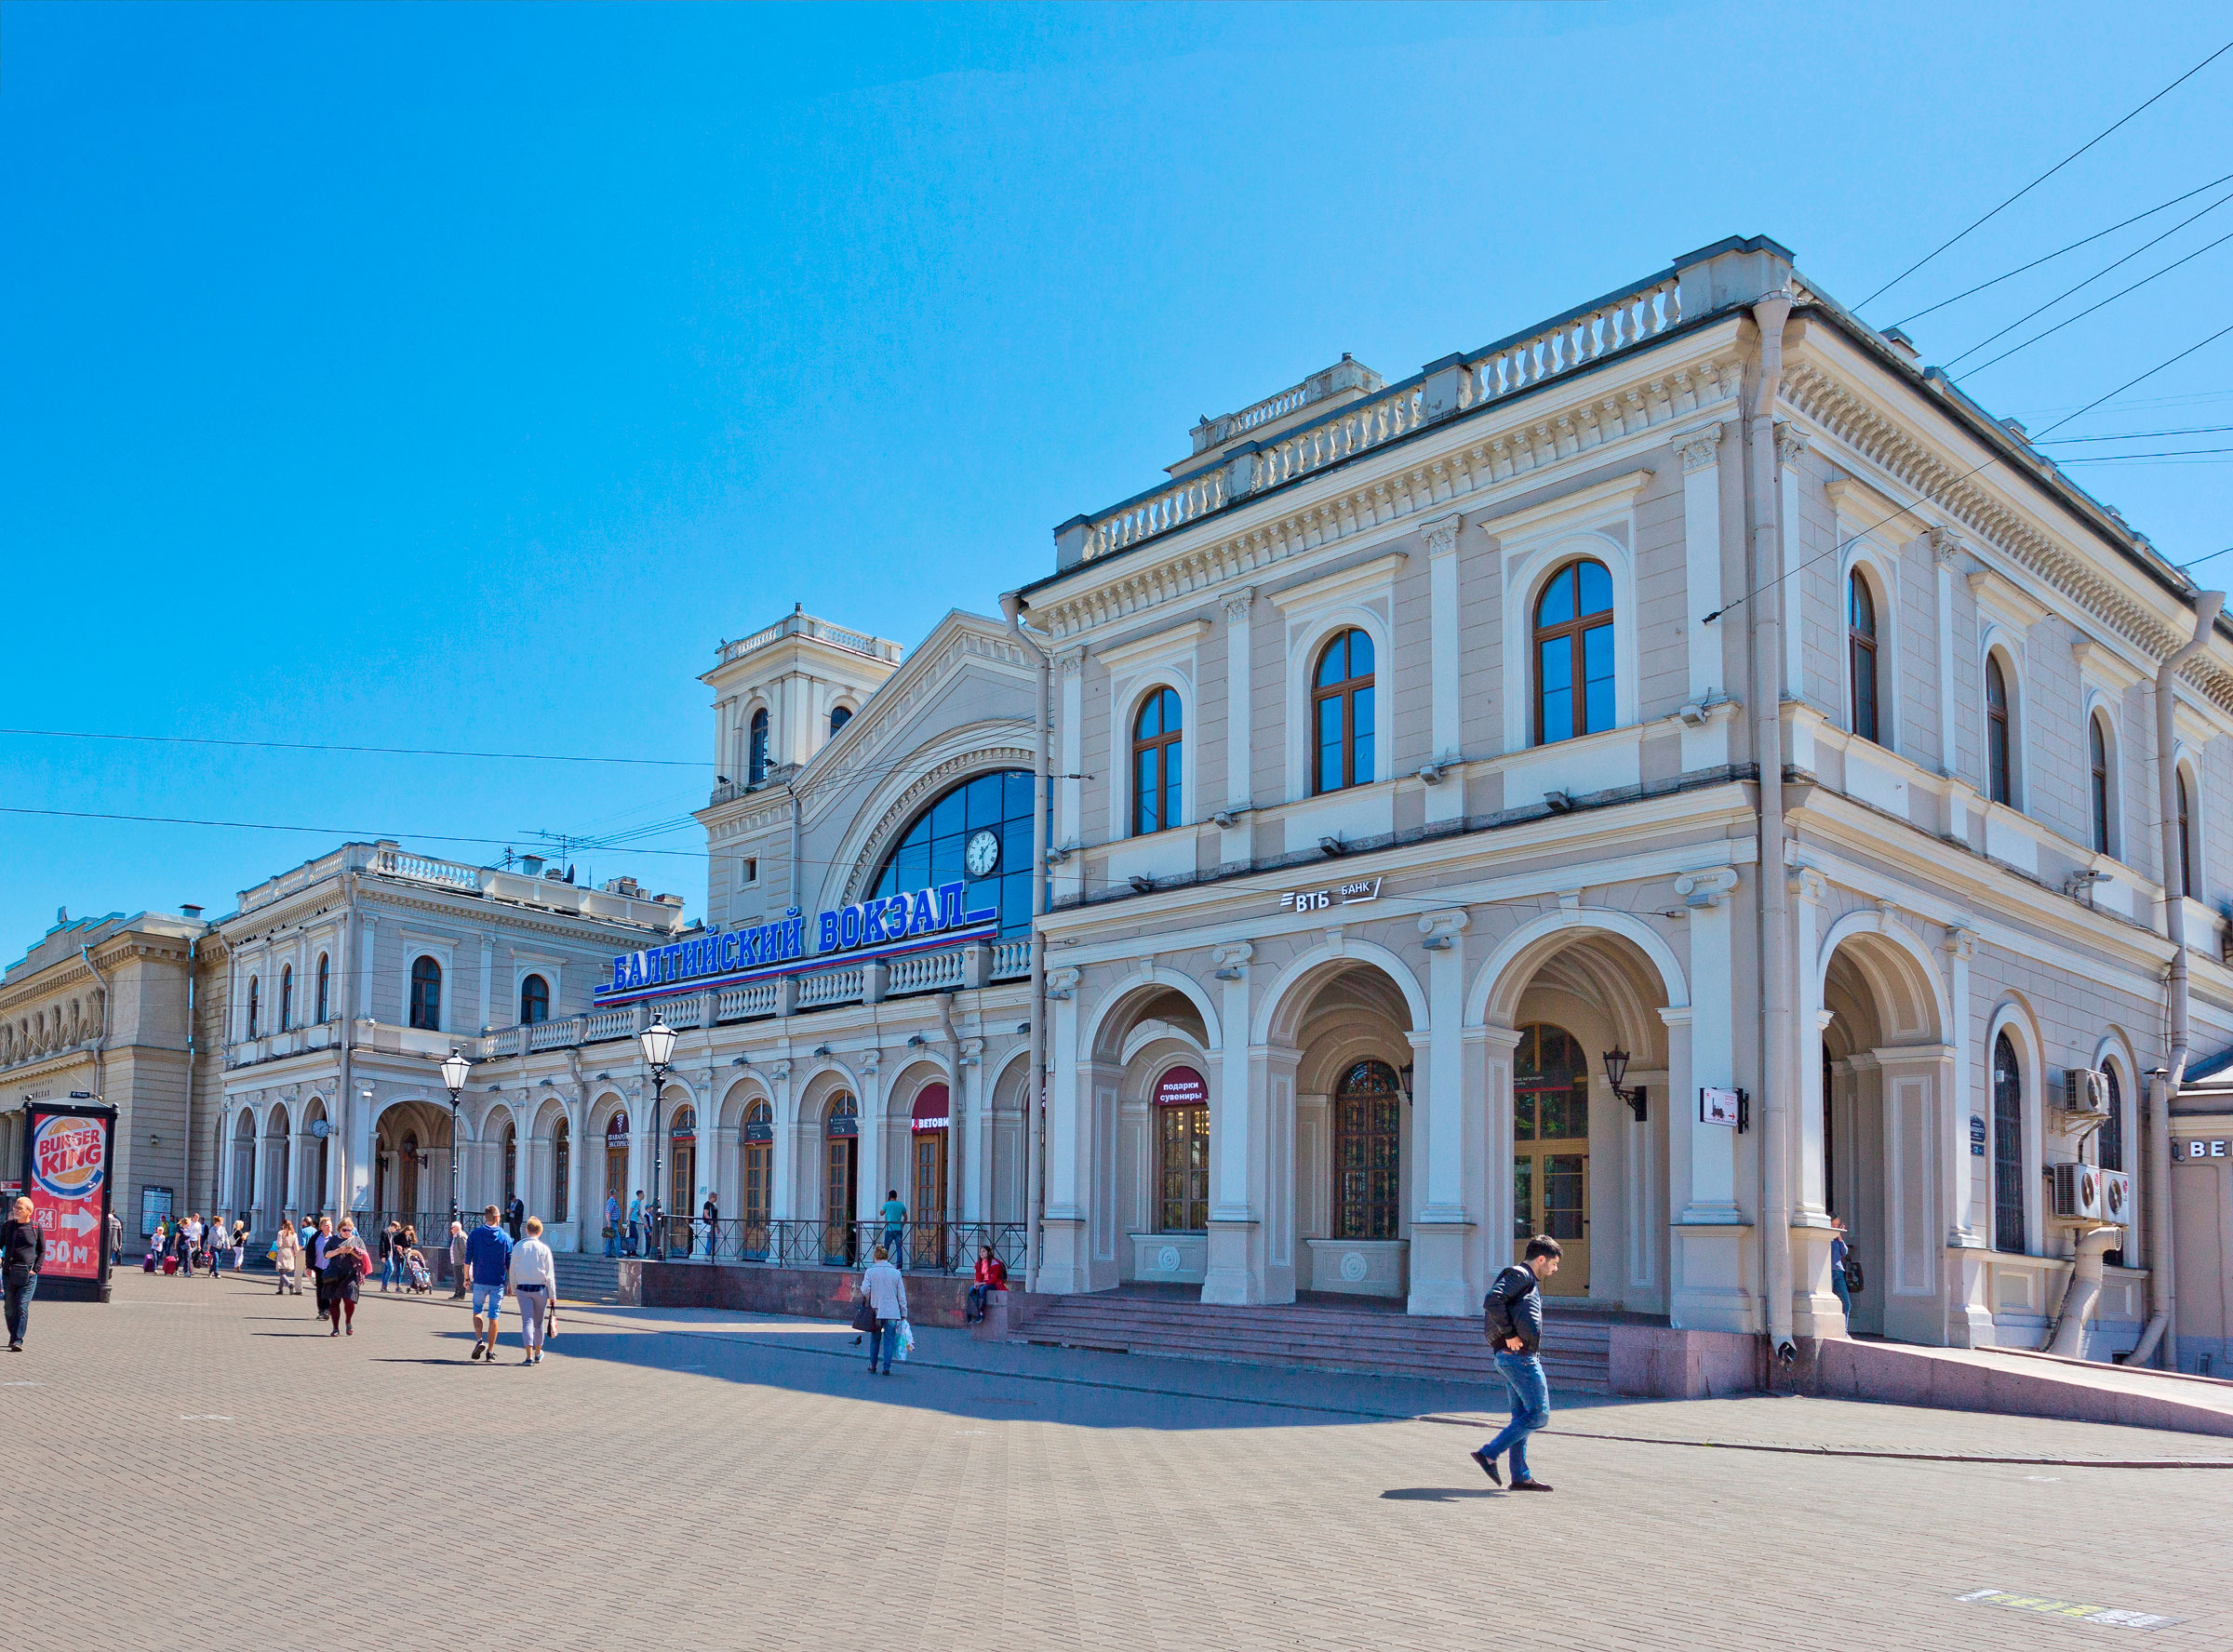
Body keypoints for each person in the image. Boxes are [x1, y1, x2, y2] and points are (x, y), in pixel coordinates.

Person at [1471, 1233, 1564, 1492]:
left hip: (1513, 1357)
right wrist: (1510, 1334)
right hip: (1519, 1357)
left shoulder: (1525, 1279)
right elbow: (1492, 1300)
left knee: (1522, 1417)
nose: (1555, 1270)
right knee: (1539, 1414)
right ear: (1541, 1258)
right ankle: (1489, 1453)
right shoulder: (1519, 1274)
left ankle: (1520, 1477)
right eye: (1554, 1264)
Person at [465, 1205, 515, 1363]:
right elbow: (509, 1262)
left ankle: (480, 1340)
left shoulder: (475, 1234)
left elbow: (468, 1258)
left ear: (486, 1217)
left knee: (477, 1311)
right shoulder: (505, 1237)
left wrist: (467, 1278)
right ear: (497, 1218)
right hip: (497, 1282)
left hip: (479, 1280)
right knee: (494, 1317)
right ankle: (491, 1352)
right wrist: (510, 1283)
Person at [509, 1216, 556, 1365]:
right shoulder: (544, 1249)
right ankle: (538, 1352)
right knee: (539, 1322)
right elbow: (550, 1274)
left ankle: (528, 1356)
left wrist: (512, 1285)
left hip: (522, 1288)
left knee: (527, 1321)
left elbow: (512, 1269)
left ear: (527, 1230)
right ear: (540, 1231)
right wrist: (553, 1295)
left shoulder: (518, 1246)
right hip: (540, 1289)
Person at [858, 1244, 907, 1376]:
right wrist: (904, 1313)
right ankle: (886, 1368)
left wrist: (870, 1294)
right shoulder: (896, 1273)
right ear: (887, 1258)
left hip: (876, 1311)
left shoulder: (870, 1271)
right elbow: (901, 1296)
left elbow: (865, 1290)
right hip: (892, 1312)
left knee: (875, 1338)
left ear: (875, 1258)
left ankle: (873, 1365)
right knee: (889, 1339)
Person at [3, 1195, 44, 1352]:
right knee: (9, 1308)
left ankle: (17, 1340)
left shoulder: (36, 1228)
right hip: (9, 1274)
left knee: (22, 1306)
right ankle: (13, 1336)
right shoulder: (7, 1226)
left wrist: (36, 1269)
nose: (16, 1210)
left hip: (29, 1276)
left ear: (29, 1211)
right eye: (15, 1207)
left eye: (20, 1208)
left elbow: (42, 1250)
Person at [319, 1218, 371, 1336]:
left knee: (349, 1301)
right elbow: (326, 1254)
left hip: (351, 1275)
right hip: (335, 1274)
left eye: (349, 1230)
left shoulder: (357, 1241)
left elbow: (364, 1257)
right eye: (344, 1230)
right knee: (335, 1302)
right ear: (340, 1230)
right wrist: (338, 1251)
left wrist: (352, 1251)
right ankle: (335, 1328)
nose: (347, 1232)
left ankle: (348, 1322)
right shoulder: (333, 1240)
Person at [966, 1245, 1007, 1324]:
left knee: (982, 1289)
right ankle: (971, 1313)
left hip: (994, 1284)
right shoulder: (979, 1263)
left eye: (984, 1251)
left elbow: (994, 1279)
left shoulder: (995, 1263)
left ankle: (981, 1312)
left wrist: (981, 1284)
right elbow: (978, 1276)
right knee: (972, 1289)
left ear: (989, 1253)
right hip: (982, 1283)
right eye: (981, 1252)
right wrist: (977, 1283)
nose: (981, 1253)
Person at [1829, 1218, 1855, 1324]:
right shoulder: (1826, 1238)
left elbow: (1844, 1252)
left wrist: (1839, 1237)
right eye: (1833, 1224)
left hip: (1838, 1271)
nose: (1835, 1226)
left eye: (1837, 1224)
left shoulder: (1837, 1239)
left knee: (1846, 1303)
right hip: (1828, 1272)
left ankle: (1844, 1331)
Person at [272, 1219, 302, 1295]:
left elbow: (279, 1244)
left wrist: (275, 1242)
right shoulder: (294, 1234)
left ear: (283, 1225)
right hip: (290, 1252)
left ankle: (289, 1284)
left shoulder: (281, 1233)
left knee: (281, 1272)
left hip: (282, 1251)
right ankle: (280, 1289)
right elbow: (296, 1246)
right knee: (283, 1271)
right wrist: (295, 1253)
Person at [880, 1189, 906, 1270]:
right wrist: (902, 1225)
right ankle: (899, 1266)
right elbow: (906, 1217)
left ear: (889, 1196)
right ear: (896, 1196)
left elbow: (881, 1213)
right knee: (899, 1248)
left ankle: (884, 1264)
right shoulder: (901, 1205)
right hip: (898, 1229)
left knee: (886, 1247)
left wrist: (886, 1203)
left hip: (889, 1229)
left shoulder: (887, 1204)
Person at [448, 1220, 469, 1299]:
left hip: (460, 1261)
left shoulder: (460, 1236)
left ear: (457, 1228)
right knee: (457, 1278)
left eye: (452, 1228)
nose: (451, 1230)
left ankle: (461, 1294)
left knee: (460, 1278)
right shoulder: (456, 1236)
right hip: (456, 1261)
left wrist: (464, 1261)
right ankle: (457, 1293)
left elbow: (465, 1249)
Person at [378, 1219, 401, 1292]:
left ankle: (383, 1286)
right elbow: (382, 1244)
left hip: (391, 1254)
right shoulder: (384, 1232)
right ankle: (385, 1285)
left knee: (386, 1270)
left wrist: (396, 1247)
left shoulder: (390, 1233)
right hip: (387, 1254)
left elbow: (391, 1244)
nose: (395, 1230)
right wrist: (383, 1255)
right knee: (391, 1269)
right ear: (393, 1226)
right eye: (396, 1229)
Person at [702, 1192, 719, 1262]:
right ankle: (707, 1254)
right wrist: (711, 1222)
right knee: (713, 1239)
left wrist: (717, 1226)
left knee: (710, 1240)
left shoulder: (712, 1205)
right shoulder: (707, 1204)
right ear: (712, 1197)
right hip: (709, 1225)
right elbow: (706, 1214)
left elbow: (715, 1216)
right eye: (715, 1197)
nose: (716, 1199)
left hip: (712, 1225)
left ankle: (707, 1255)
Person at [603, 1192, 621, 1259]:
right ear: (613, 1194)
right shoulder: (611, 1201)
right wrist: (609, 1222)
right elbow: (608, 1212)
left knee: (609, 1237)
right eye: (616, 1194)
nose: (617, 1195)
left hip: (613, 1221)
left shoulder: (613, 1201)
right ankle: (619, 1252)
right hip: (612, 1222)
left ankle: (608, 1252)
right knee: (616, 1237)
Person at [627, 1191, 643, 1258]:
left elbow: (638, 1213)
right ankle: (632, 1251)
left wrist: (643, 1222)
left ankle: (631, 1251)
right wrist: (629, 1221)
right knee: (635, 1236)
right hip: (632, 1221)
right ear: (639, 1195)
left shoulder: (639, 1203)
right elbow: (630, 1211)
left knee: (632, 1237)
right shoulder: (635, 1202)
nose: (643, 1196)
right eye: (643, 1194)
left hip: (634, 1221)